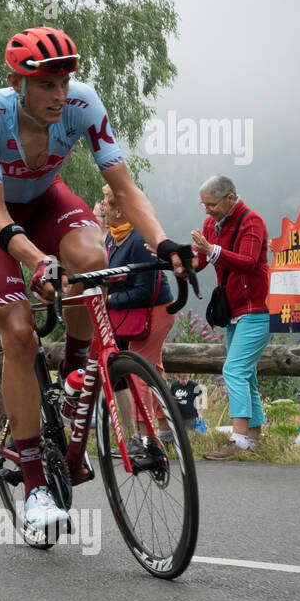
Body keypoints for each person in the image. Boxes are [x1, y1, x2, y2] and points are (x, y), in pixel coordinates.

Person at [0, 26, 189, 533]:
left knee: (91, 255)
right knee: (17, 332)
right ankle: (36, 483)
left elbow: (123, 189)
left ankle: (76, 377)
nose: (61, 95)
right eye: (47, 86)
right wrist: (37, 261)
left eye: (66, 83)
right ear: (18, 83)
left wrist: (164, 243)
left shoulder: (83, 104)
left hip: (44, 198)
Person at [190, 175, 270, 460]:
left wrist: (212, 250)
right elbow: (199, 260)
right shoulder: (211, 225)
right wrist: (175, 261)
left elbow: (248, 263)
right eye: (203, 205)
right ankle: (255, 437)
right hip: (234, 311)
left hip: (256, 311)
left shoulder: (252, 221)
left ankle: (238, 439)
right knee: (246, 376)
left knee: (233, 371)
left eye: (211, 204)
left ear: (230, 199)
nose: (207, 211)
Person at [102, 183, 176, 450]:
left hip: (155, 310)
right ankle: (167, 428)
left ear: (121, 210)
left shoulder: (138, 239)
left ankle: (145, 437)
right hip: (136, 312)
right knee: (153, 369)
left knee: (139, 371)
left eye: (107, 204)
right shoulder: (112, 237)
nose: (102, 208)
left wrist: (109, 300)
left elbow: (144, 291)